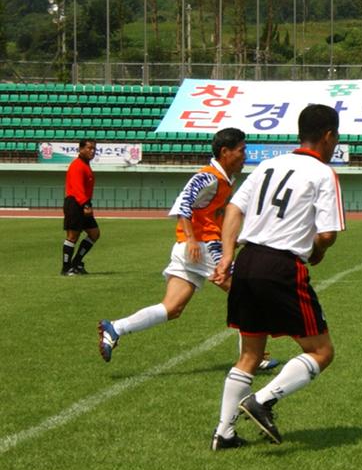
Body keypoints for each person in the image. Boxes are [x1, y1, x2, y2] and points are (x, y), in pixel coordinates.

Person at [209, 104, 346, 450]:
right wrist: (316, 252)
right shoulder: (322, 172)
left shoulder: (268, 165)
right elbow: (328, 233)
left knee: (250, 354)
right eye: (336, 136)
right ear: (329, 136)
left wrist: (227, 256)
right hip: (281, 267)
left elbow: (234, 209)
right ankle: (264, 400)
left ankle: (224, 433)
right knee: (321, 351)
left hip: (248, 262)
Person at [96, 128, 277, 372]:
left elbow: (208, 214)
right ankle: (255, 357)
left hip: (191, 249)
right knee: (247, 294)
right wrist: (192, 239)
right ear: (225, 152)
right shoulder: (208, 177)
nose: (245, 156)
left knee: (172, 308)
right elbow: (183, 203)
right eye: (241, 150)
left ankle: (115, 328)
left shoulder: (223, 179)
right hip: (202, 247)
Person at [61, 138, 100, 275]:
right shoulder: (77, 165)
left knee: (94, 233)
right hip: (75, 203)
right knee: (72, 236)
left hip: (82, 203)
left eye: (94, 148)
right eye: (89, 148)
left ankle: (76, 263)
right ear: (81, 149)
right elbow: (78, 188)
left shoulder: (85, 165)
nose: (92, 151)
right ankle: (66, 268)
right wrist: (86, 205)